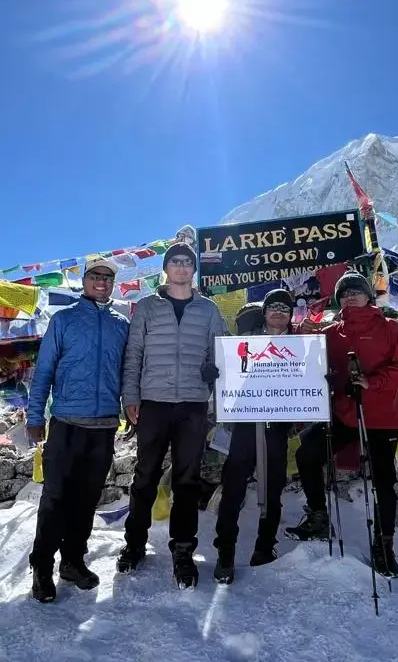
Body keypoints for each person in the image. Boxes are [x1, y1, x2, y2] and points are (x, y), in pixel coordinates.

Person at [286, 270, 398, 578]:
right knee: (307, 454)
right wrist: (304, 337)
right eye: (344, 293)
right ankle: (318, 516)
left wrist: (374, 382)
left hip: (381, 417)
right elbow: (310, 361)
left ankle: (384, 545)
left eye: (356, 290)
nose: (349, 296)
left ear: (369, 295)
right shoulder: (331, 332)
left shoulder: (390, 328)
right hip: (344, 413)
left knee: (382, 481)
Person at [119, 242, 227, 588]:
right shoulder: (147, 308)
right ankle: (134, 543)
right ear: (166, 268)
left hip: (193, 405)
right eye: (175, 262)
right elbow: (133, 354)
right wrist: (131, 396)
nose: (181, 267)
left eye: (187, 262)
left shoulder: (209, 310)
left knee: (187, 479)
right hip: (153, 402)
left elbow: (220, 351)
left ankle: (183, 550)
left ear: (194, 270)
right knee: (145, 476)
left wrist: (214, 372)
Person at [24, 257, 130, 603]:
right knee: (55, 500)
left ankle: (72, 561)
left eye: (107, 277)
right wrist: (35, 415)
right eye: (95, 276)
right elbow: (44, 371)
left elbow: (129, 370)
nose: (101, 282)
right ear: (83, 281)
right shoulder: (64, 320)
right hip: (67, 422)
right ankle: (42, 567)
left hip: (104, 425)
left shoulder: (121, 324)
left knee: (87, 499)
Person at [212, 289, 297, 584]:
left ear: (291, 315)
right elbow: (229, 373)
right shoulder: (244, 342)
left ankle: (264, 548)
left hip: (278, 427)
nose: (277, 312)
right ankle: (225, 552)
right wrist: (216, 373)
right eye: (272, 307)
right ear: (264, 312)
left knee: (273, 489)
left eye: (284, 309)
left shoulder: (302, 345)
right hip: (246, 425)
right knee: (233, 487)